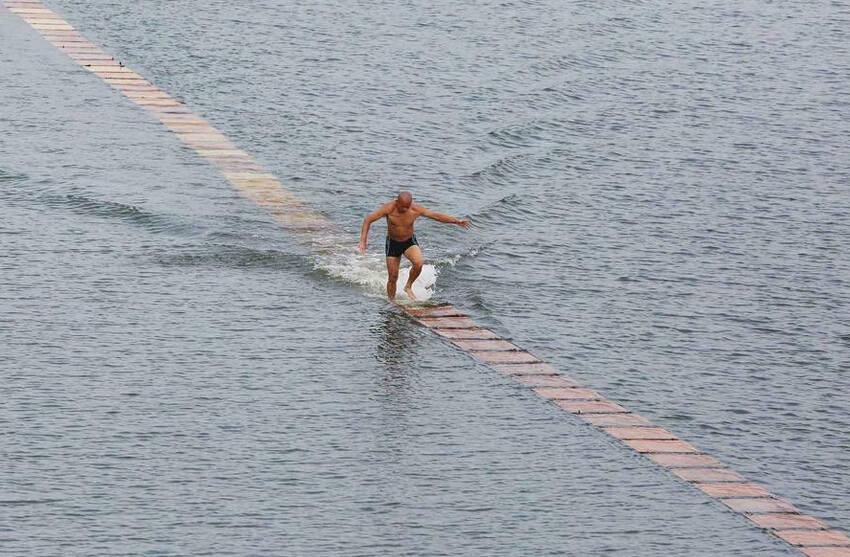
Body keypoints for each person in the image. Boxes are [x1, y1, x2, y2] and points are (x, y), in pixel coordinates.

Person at [359, 191, 470, 301]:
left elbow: (435, 216)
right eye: (403, 207)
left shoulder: (415, 209)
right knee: (393, 277)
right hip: (392, 243)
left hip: (409, 242)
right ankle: (391, 301)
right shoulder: (388, 208)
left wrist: (456, 221)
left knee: (418, 263)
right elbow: (368, 220)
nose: (405, 210)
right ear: (397, 202)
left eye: (407, 207)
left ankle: (408, 286)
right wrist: (363, 241)